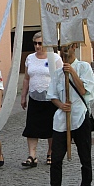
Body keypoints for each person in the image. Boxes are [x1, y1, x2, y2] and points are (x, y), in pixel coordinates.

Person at [39, 43, 94, 186]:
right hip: (62, 120)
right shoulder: (57, 73)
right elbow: (52, 95)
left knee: (85, 157)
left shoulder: (84, 67)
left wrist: (72, 72)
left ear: (74, 48)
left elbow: (85, 91)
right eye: (62, 48)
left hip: (80, 117)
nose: (64, 51)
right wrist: (61, 105)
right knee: (56, 159)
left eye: (67, 47)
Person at [20, 32, 61, 167]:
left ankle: (50, 152)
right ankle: (32, 155)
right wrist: (23, 96)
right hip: (34, 97)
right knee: (32, 127)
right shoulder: (30, 58)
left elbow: (60, 78)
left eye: (40, 43)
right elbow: (26, 78)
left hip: (51, 99)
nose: (38, 46)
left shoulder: (54, 58)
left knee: (51, 127)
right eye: (35, 43)